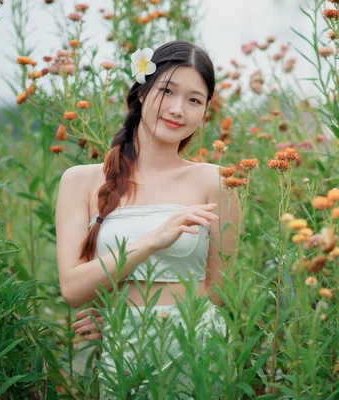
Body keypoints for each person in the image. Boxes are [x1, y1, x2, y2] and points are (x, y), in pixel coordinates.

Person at [55, 40, 240, 398]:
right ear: (142, 92)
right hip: (122, 346)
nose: (177, 109)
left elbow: (220, 291)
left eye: (194, 100)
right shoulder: (79, 180)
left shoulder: (216, 180)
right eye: (167, 91)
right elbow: (73, 289)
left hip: (196, 345)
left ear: (204, 112)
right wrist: (153, 241)